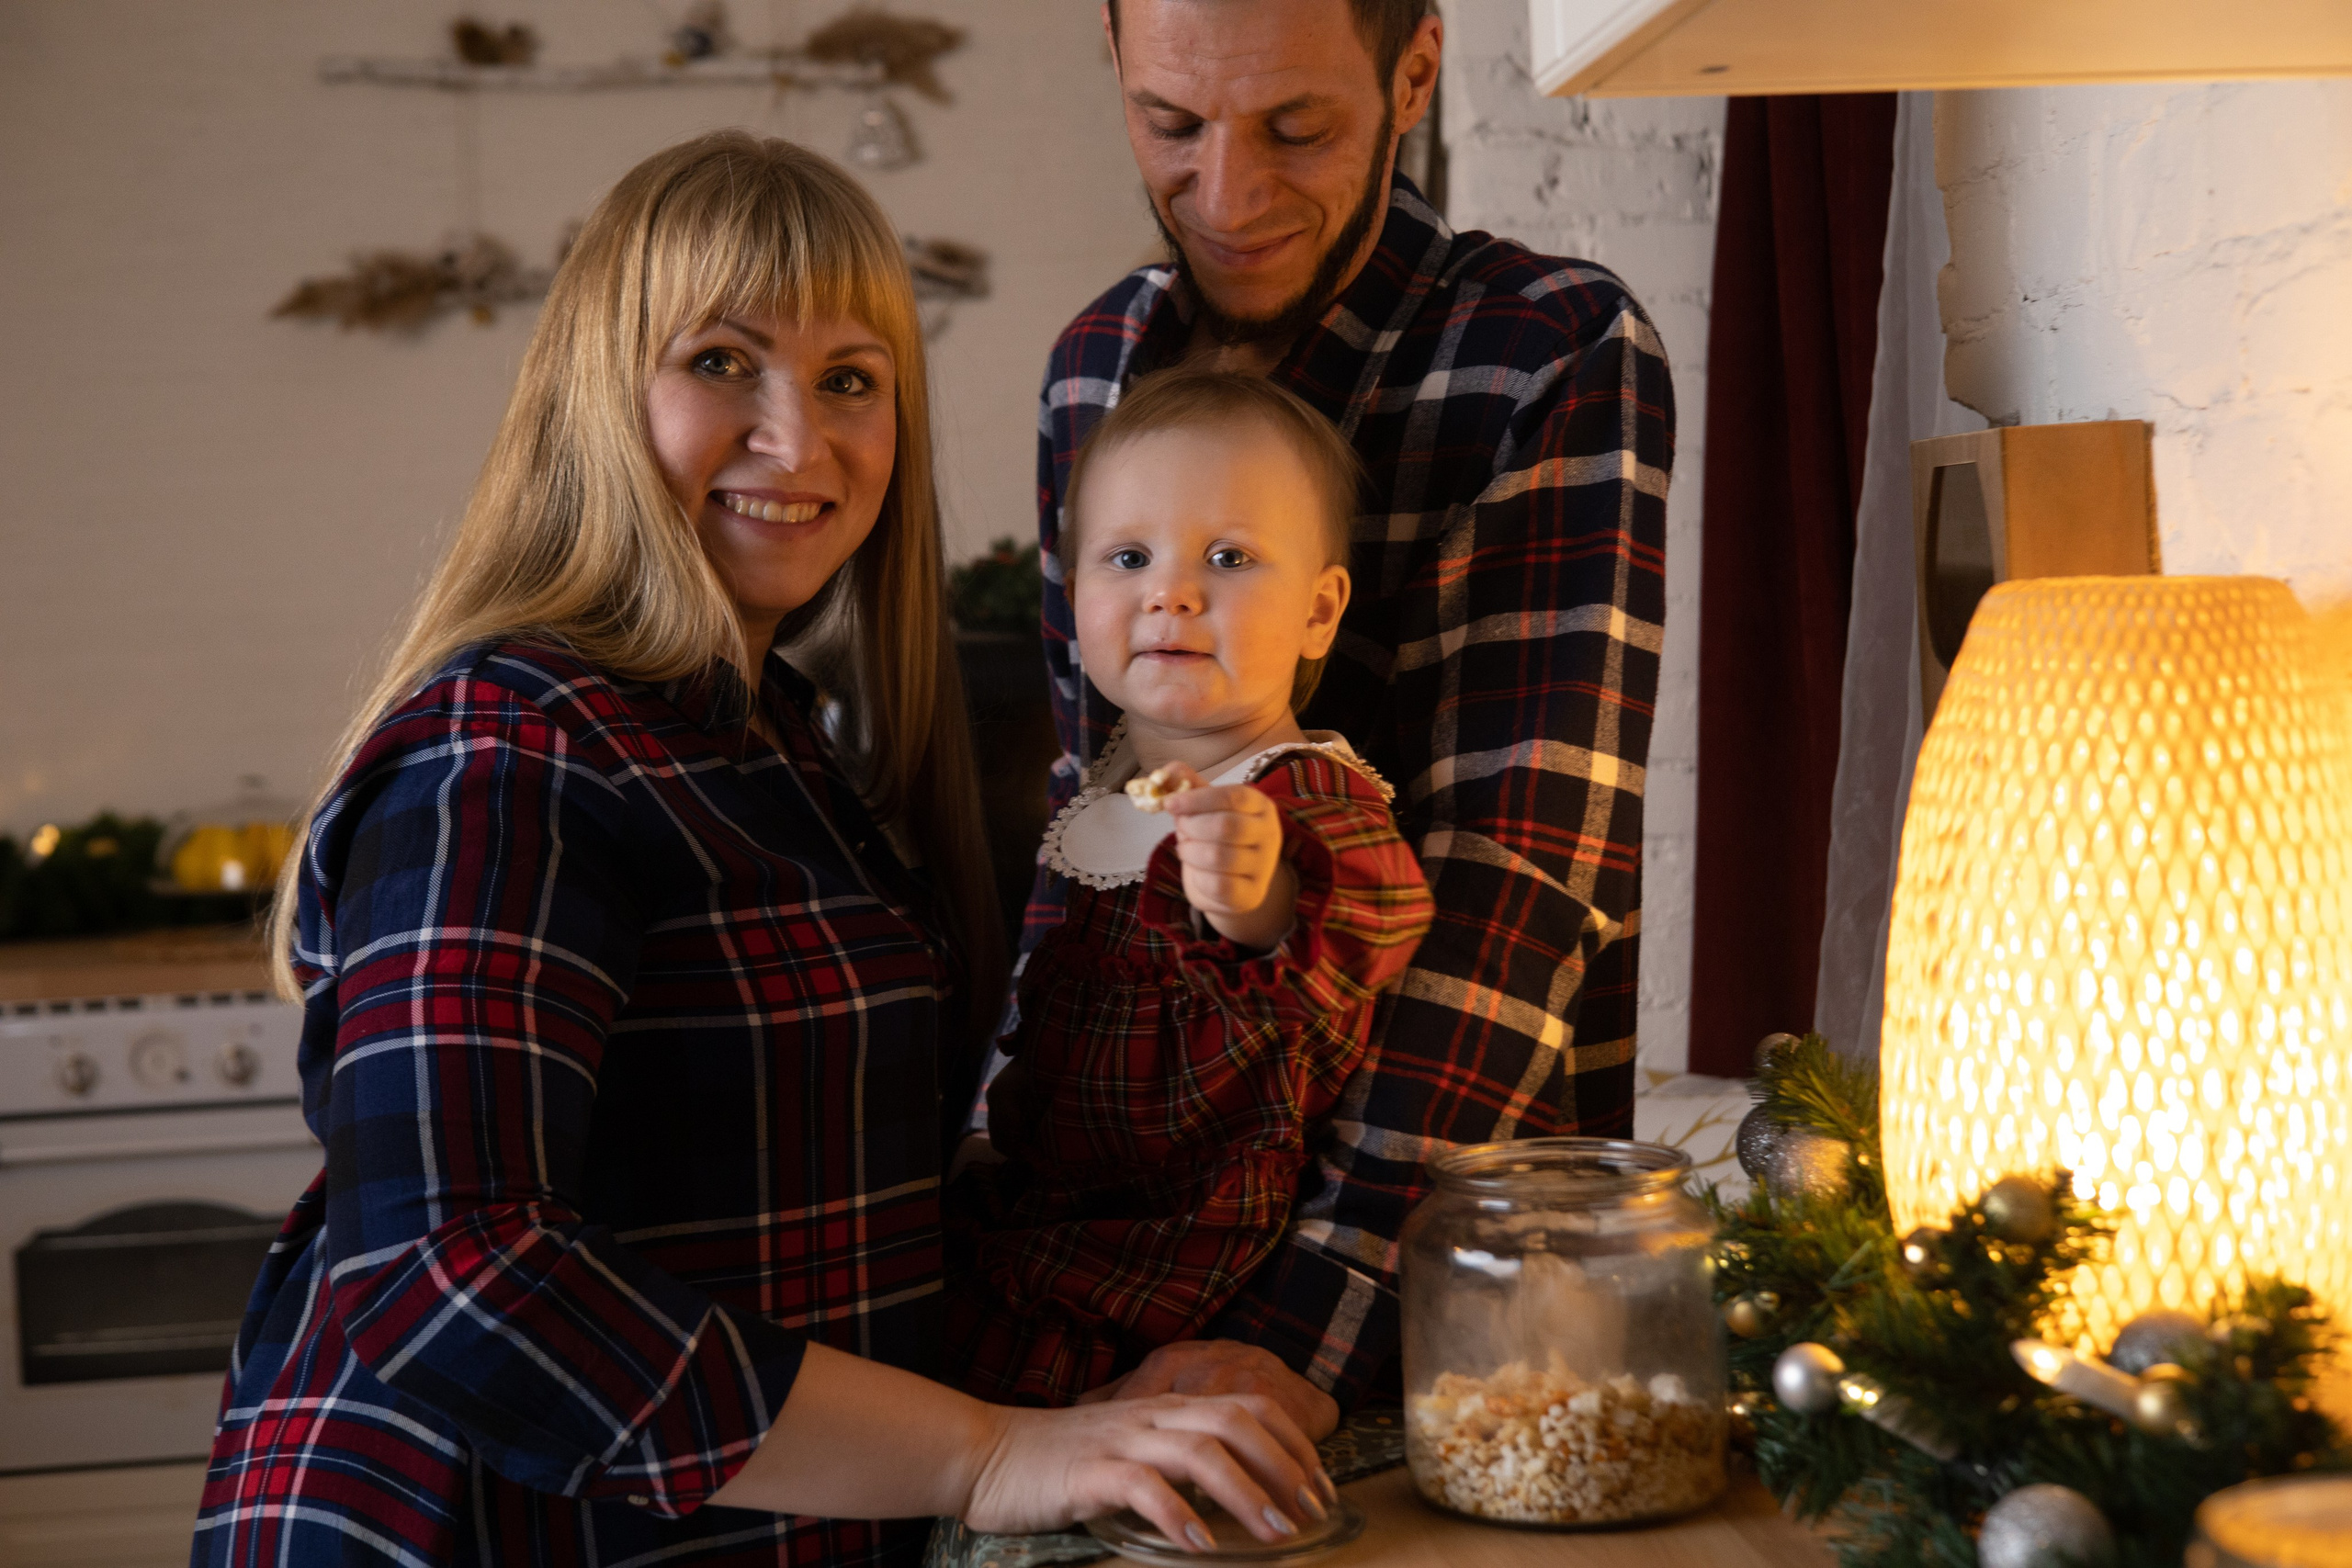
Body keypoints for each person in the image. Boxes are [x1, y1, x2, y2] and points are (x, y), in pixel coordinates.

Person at [191, 131, 1333, 1568]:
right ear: (602, 392)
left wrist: (1096, 1378)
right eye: (723, 362)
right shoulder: (512, 741)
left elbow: (828, 1214)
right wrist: (991, 1452)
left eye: (851, 379)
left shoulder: (773, 745)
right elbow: (452, 1275)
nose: (798, 438)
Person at [1020, 0, 1674, 1414]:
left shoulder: (1548, 350)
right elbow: (1095, 839)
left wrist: (1300, 1329)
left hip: (1444, 1274)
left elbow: (1521, 883)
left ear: (1415, 71)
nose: (1228, 195)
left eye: (1297, 127)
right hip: (1109, 1278)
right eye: (1171, 125)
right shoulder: (1095, 371)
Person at [947, 370, 1432, 1406]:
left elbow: (1359, 923)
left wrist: (1252, 898)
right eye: (1128, 558)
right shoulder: (1098, 790)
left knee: (1038, 1388)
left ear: (1317, 610)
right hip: (1058, 1198)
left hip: (1193, 1237)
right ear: (1073, 595)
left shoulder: (1295, 792)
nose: (1172, 591)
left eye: (1228, 557)